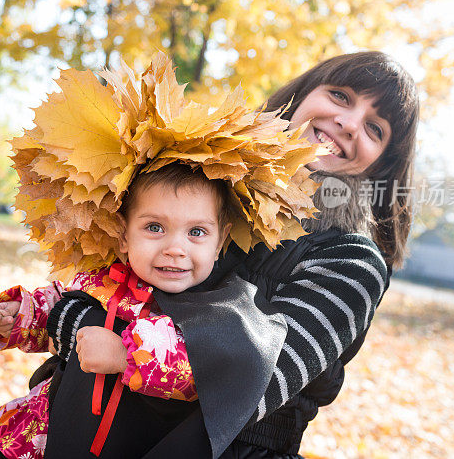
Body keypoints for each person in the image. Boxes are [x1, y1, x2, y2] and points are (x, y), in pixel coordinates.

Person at [44, 50, 420, 458]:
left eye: (374, 128)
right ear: (303, 93)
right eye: (341, 96)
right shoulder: (196, 180)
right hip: (77, 428)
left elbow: (244, 383)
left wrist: (78, 325)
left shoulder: (352, 262)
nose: (348, 124)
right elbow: (104, 288)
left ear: (384, 163)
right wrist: (53, 316)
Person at [0, 163, 235, 459]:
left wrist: (124, 355)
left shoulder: (214, 309)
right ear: (123, 235)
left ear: (220, 240)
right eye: (154, 228)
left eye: (196, 232)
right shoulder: (103, 279)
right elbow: (58, 304)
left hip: (124, 443)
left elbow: (203, 369)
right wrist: (21, 314)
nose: (175, 248)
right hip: (41, 430)